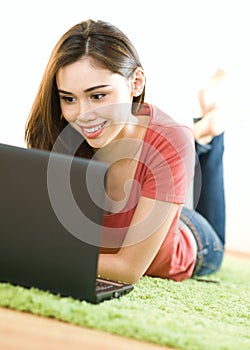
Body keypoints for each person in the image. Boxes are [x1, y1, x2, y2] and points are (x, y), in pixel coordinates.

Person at [25, 19, 225, 284]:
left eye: (97, 96)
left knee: (183, 148)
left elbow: (128, 270)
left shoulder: (169, 142)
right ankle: (199, 140)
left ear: (136, 83)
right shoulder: (60, 132)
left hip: (191, 237)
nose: (83, 115)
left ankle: (211, 135)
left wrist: (38, 256)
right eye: (69, 98)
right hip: (152, 198)